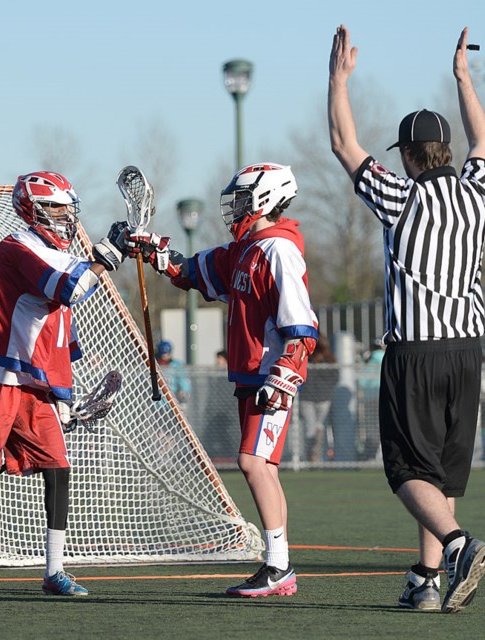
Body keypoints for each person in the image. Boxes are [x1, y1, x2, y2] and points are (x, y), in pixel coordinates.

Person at [328, 25, 485, 613]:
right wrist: (464, 79)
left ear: (406, 155)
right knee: (441, 476)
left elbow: (343, 143)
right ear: (445, 151)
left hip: (417, 350)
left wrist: (338, 80)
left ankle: (457, 545)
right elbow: (484, 138)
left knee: (405, 470)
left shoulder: (402, 199)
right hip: (468, 350)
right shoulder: (479, 191)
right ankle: (427, 579)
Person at [0, 170, 132, 596]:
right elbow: (72, 288)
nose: (67, 215)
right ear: (35, 209)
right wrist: (109, 254)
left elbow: (63, 329)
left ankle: (53, 572)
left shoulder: (60, 252)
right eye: (58, 207)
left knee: (58, 467)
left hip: (32, 378)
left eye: (68, 207)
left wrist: (61, 397)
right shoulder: (16, 248)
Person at [130, 161, 317, 599]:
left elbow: (301, 322)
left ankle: (279, 566)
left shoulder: (278, 249)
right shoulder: (247, 249)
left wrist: (285, 371)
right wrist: (154, 250)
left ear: (265, 199)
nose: (235, 210)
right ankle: (277, 564)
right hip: (250, 376)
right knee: (263, 466)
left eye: (243, 200)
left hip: (271, 376)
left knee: (253, 463)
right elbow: (193, 271)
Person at [297, 339, 338, 463]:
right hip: (308, 399)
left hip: (322, 398)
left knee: (319, 428)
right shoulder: (306, 357)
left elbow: (335, 377)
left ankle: (316, 456)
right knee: (311, 428)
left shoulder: (329, 360)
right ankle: (311, 457)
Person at [154, 340, 191, 409]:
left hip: (172, 400)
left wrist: (184, 391)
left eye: (167, 354)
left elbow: (183, 380)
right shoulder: (154, 365)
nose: (165, 357)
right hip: (157, 402)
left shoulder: (176, 365)